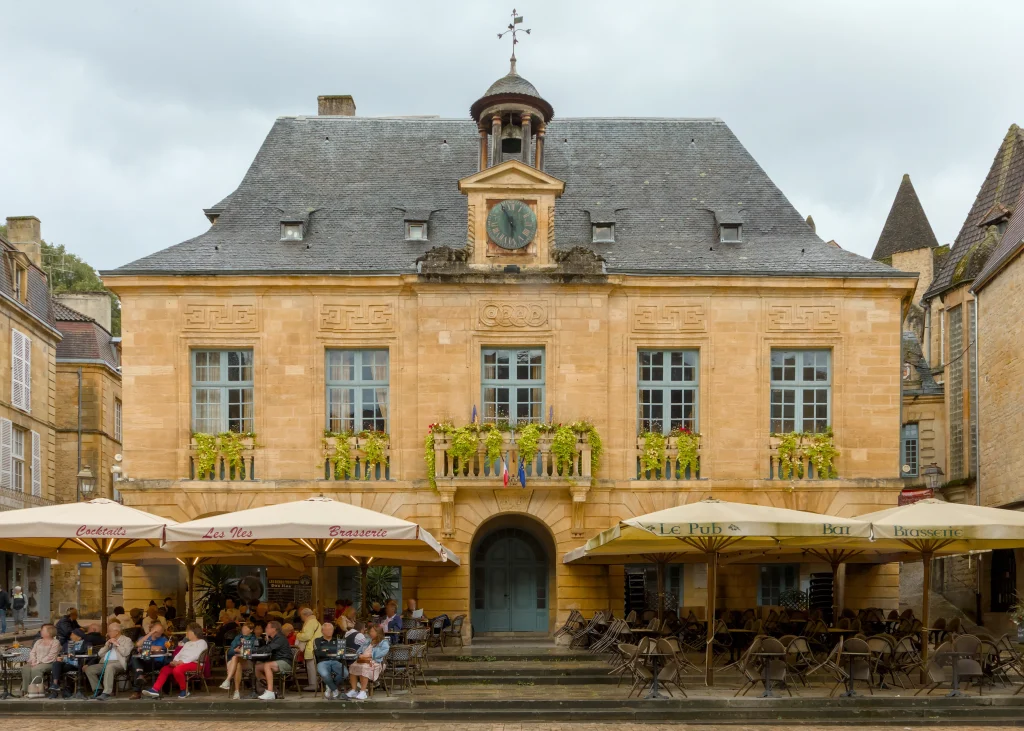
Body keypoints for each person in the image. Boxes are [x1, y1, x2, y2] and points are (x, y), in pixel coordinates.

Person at [141, 622, 207, 699]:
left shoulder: (202, 642)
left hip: (195, 664)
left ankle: (184, 690)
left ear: (193, 632)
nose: (186, 633)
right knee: (165, 669)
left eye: (187, 631)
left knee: (177, 670)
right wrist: (175, 661)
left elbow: (196, 655)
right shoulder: (187, 643)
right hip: (181, 663)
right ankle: (155, 689)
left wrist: (182, 662)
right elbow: (180, 653)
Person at [84, 621, 133, 701]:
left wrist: (117, 644)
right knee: (89, 669)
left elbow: (126, 653)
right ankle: (98, 689)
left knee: (109, 667)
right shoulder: (109, 641)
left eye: (110, 631)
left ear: (116, 632)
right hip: (105, 662)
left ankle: (106, 692)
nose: (108, 633)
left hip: (118, 663)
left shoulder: (127, 640)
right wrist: (107, 645)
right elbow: (99, 654)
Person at [346, 624, 389, 700]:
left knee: (364, 667)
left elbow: (382, 652)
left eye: (372, 631)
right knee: (353, 666)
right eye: (370, 631)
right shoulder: (368, 640)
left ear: (377, 632)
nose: (370, 633)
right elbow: (359, 650)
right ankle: (354, 690)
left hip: (375, 662)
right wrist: (360, 655)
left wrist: (369, 655)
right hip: (363, 660)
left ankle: (363, 691)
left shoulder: (384, 642)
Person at [252, 620, 292, 701]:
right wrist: (267, 641)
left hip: (285, 662)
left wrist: (253, 650)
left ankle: (270, 692)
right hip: (277, 662)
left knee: (267, 665)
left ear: (274, 629)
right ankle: (273, 690)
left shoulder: (280, 638)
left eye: (267, 627)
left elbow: (269, 648)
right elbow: (268, 648)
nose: (265, 629)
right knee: (257, 667)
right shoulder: (274, 639)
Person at [128, 621, 170, 699]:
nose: (159, 632)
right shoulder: (144, 638)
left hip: (157, 662)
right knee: (134, 658)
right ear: (152, 629)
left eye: (161, 630)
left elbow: (158, 648)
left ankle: (137, 691)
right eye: (157, 630)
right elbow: (138, 645)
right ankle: (140, 674)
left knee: (139, 663)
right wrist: (151, 633)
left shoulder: (163, 639)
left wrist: (144, 648)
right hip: (145, 662)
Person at [48, 627, 93, 698]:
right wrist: (61, 657)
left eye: (73, 634)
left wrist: (88, 664)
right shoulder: (69, 644)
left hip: (78, 664)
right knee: (56, 664)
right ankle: (55, 685)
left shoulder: (87, 644)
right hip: (67, 663)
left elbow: (90, 656)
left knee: (57, 669)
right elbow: (63, 653)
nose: (70, 636)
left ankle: (58, 689)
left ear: (79, 637)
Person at [219, 621, 258, 699]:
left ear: (251, 630)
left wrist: (243, 650)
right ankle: (236, 692)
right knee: (237, 663)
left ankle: (228, 680)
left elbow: (255, 651)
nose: (243, 630)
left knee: (236, 658)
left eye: (245, 628)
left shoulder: (254, 639)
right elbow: (230, 651)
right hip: (235, 662)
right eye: (243, 628)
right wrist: (235, 650)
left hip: (246, 661)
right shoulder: (237, 637)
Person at [20, 624, 59, 696]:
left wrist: (38, 662)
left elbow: (51, 656)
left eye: (43, 630)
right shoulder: (38, 641)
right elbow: (32, 652)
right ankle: (26, 690)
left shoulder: (55, 642)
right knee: (25, 668)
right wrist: (34, 660)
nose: (40, 631)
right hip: (36, 662)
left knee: (36, 669)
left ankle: (36, 690)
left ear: (49, 632)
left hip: (48, 663)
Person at [314, 621, 345, 699]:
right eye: (327, 630)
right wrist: (334, 651)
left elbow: (341, 654)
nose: (329, 632)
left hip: (336, 662)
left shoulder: (339, 640)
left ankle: (330, 686)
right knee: (324, 674)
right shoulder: (317, 640)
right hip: (322, 662)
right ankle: (334, 690)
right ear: (322, 631)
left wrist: (326, 650)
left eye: (331, 630)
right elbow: (318, 653)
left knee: (345, 673)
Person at [294, 607, 323, 692]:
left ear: (305, 615)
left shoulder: (310, 622)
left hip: (311, 647)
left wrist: (298, 634)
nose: (301, 618)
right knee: (314, 666)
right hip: (316, 646)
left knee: (311, 667)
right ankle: (315, 684)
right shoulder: (315, 622)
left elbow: (307, 636)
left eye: (301, 615)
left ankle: (313, 685)